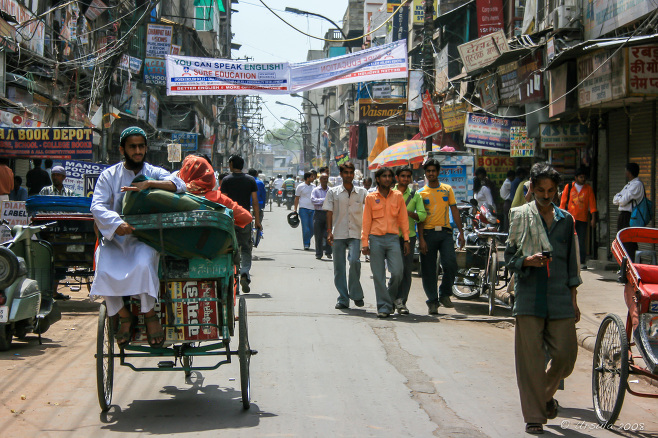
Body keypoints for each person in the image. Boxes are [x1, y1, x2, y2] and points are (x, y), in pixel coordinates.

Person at [90, 126, 186, 349]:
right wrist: (117, 224)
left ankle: (150, 315)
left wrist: (150, 184)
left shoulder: (154, 171)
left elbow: (180, 184)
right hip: (115, 238)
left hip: (144, 239)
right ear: (122, 149)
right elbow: (97, 207)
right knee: (102, 269)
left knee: (144, 264)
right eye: (132, 147)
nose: (138, 151)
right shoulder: (109, 176)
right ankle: (124, 316)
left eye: (141, 146)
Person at [504, 162, 581, 435]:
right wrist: (526, 260)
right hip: (529, 298)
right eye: (541, 190)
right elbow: (509, 258)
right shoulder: (520, 216)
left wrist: (573, 300)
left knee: (566, 356)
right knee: (530, 362)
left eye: (551, 190)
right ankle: (534, 415)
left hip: (560, 296)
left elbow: (572, 265)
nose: (546, 195)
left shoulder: (566, 220)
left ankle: (545, 395)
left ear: (556, 190)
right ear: (533, 189)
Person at [418, 158, 465, 314]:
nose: (431, 173)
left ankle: (445, 293)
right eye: (428, 171)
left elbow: (454, 210)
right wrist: (421, 239)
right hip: (428, 234)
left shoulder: (447, 189)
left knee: (451, 264)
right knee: (429, 270)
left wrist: (461, 232)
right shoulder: (420, 193)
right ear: (425, 173)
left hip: (445, 233)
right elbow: (419, 218)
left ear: (438, 172)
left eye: (433, 171)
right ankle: (432, 301)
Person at [362, 168, 410, 318]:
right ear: (378, 179)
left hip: (393, 239)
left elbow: (403, 219)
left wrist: (407, 239)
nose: (387, 179)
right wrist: (365, 242)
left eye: (389, 176)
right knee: (378, 275)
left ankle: (389, 298)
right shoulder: (370, 197)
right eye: (384, 176)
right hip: (376, 239)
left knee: (397, 272)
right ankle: (383, 307)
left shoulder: (398, 196)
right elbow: (366, 221)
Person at [324, 162, 368, 310]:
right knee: (339, 267)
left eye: (351, 172)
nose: (349, 175)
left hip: (356, 233)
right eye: (346, 172)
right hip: (338, 233)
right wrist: (329, 231)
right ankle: (343, 298)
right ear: (341, 174)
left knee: (355, 261)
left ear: (353, 174)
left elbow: (370, 210)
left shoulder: (362, 192)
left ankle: (355, 294)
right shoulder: (333, 192)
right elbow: (329, 212)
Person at [221, 155, 262, 293]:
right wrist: (257, 220)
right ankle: (244, 272)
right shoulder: (250, 180)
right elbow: (255, 202)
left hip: (230, 220)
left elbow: (224, 201)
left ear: (232, 164)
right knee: (245, 248)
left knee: (231, 250)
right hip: (245, 219)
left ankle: (235, 284)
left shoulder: (226, 180)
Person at [392, 166, 426, 314]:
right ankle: (391, 297)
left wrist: (408, 213)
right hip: (391, 237)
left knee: (406, 271)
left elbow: (422, 216)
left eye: (408, 176)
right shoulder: (389, 193)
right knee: (395, 271)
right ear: (397, 178)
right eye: (403, 176)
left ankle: (401, 301)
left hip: (409, 238)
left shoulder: (415, 195)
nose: (405, 179)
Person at [559, 168, 597, 269]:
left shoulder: (588, 189)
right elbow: (563, 202)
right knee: (569, 239)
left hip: (583, 219)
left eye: (584, 177)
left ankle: (582, 261)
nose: (583, 179)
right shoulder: (569, 187)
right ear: (576, 178)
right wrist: (560, 216)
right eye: (581, 177)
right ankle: (569, 260)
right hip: (569, 218)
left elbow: (592, 204)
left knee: (581, 240)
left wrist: (593, 218)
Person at [613, 162, 645, 262]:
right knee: (622, 241)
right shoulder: (629, 185)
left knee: (629, 242)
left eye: (626, 170)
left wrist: (620, 199)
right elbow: (615, 199)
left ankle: (631, 265)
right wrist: (620, 199)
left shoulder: (637, 185)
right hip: (624, 215)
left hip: (630, 216)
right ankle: (624, 265)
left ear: (629, 172)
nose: (625, 173)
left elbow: (622, 200)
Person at [311, 173, 332, 260]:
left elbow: (333, 201)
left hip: (328, 214)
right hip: (318, 214)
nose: (325, 180)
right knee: (318, 234)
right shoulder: (315, 190)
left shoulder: (331, 190)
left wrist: (323, 201)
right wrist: (325, 200)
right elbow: (313, 200)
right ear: (320, 180)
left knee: (328, 233)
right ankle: (319, 253)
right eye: (323, 178)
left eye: (326, 178)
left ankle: (328, 252)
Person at [294, 171, 315, 250]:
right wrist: (295, 209)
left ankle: (307, 238)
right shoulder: (300, 186)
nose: (313, 178)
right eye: (312, 177)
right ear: (307, 178)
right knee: (306, 228)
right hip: (303, 209)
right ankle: (306, 244)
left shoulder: (314, 186)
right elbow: (297, 198)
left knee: (313, 228)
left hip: (313, 209)